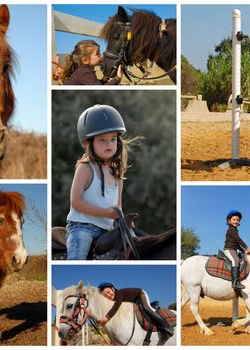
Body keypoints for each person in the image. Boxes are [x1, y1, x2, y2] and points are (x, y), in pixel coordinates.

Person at [66, 104, 139, 260]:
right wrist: (105, 213)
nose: (109, 144)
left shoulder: (118, 173)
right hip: (82, 228)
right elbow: (75, 202)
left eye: (113, 139)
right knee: (76, 259)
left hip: (107, 230)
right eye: (102, 140)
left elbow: (117, 206)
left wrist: (122, 221)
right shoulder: (85, 169)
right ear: (88, 143)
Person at [97, 282, 174, 337]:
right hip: (134, 301)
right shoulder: (114, 299)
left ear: (113, 289)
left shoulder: (119, 293)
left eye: (108, 292)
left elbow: (116, 306)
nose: (109, 295)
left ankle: (166, 327)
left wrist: (107, 317)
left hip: (140, 294)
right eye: (105, 295)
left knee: (147, 309)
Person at [223, 210, 250, 290]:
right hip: (229, 249)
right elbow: (239, 240)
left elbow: (237, 244)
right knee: (235, 261)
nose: (236, 221)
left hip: (233, 249)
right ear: (229, 221)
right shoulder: (231, 230)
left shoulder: (235, 230)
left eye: (237, 220)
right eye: (234, 220)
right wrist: (247, 248)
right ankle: (235, 282)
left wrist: (244, 251)